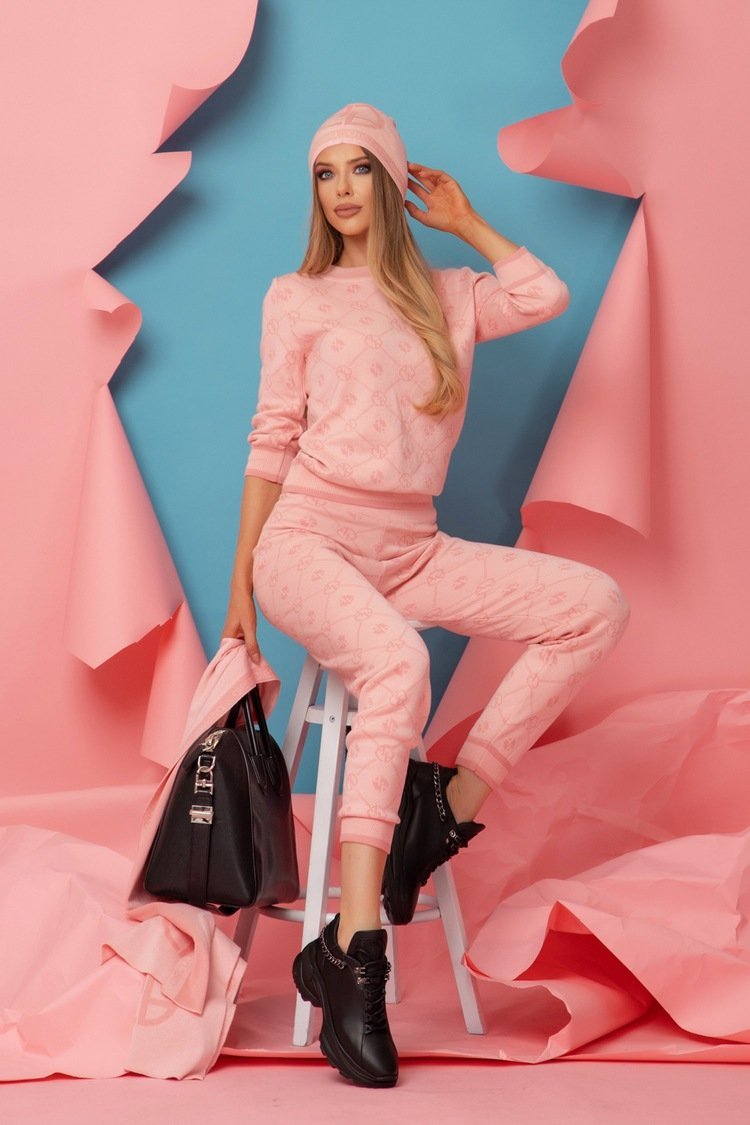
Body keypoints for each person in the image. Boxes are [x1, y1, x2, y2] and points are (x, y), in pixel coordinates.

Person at [222, 102, 629, 1088]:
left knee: (595, 604)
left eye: (362, 169)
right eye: (327, 173)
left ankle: (443, 808)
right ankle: (356, 954)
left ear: (390, 179)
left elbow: (544, 293)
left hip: (412, 546)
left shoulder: (450, 294)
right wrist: (242, 585)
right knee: (398, 663)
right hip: (308, 540)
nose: (343, 190)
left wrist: (469, 222)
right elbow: (271, 438)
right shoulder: (295, 296)